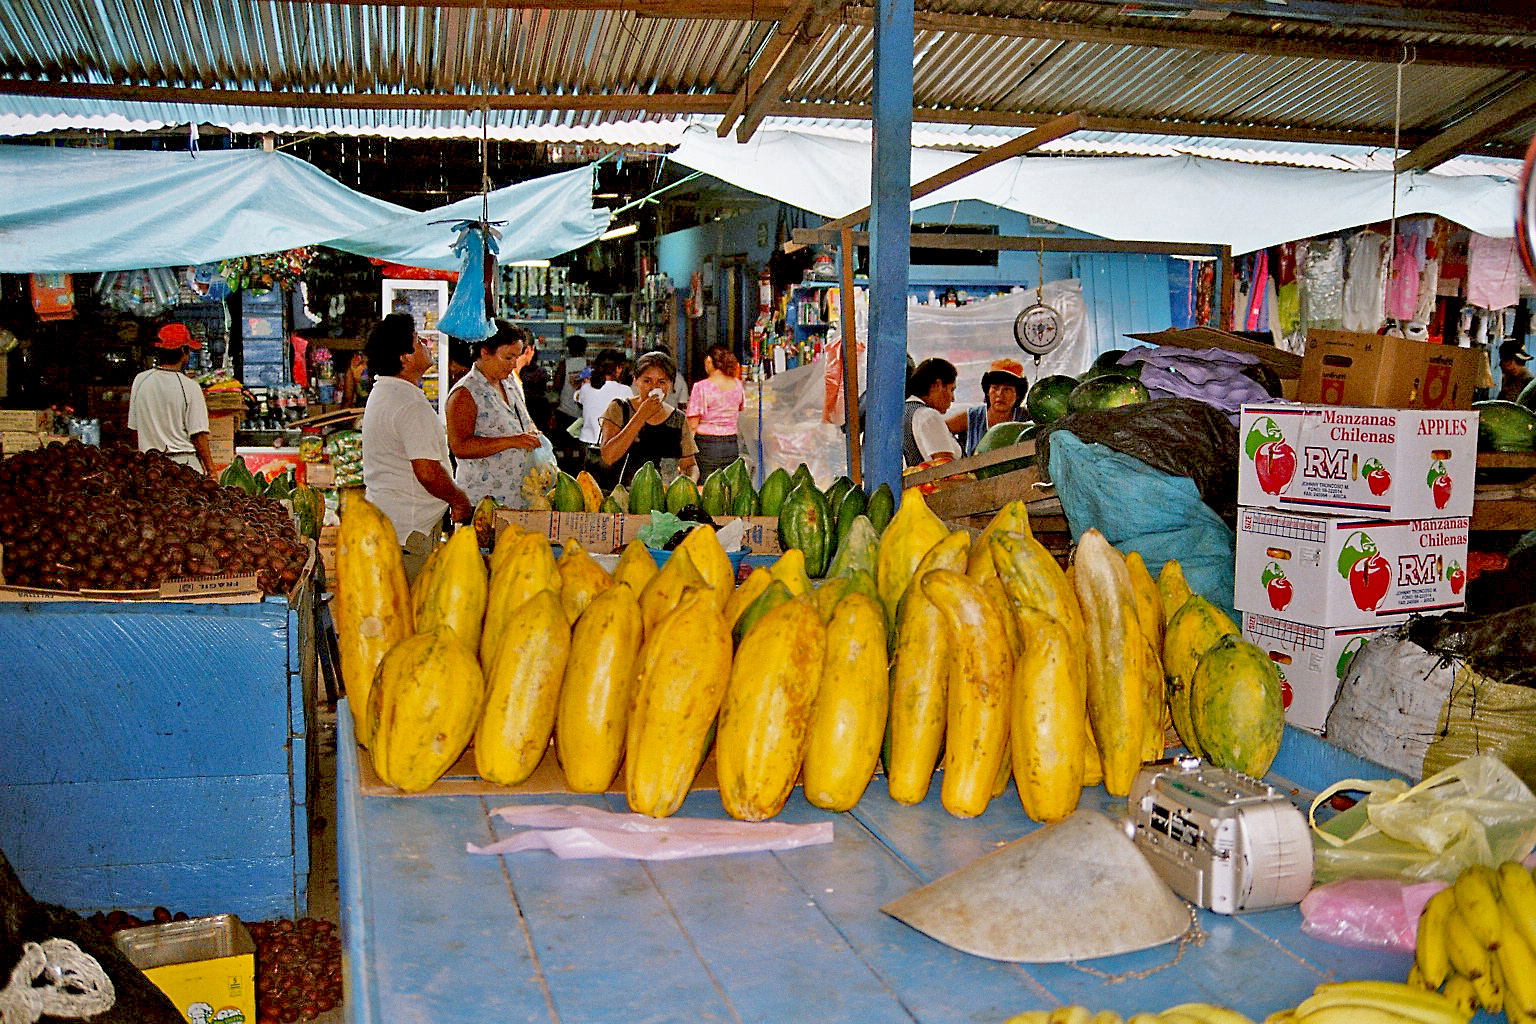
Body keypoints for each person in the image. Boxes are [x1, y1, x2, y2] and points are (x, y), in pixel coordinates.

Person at [360, 313, 473, 582]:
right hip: (409, 534)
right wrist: (458, 499)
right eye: (418, 340)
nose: (426, 344)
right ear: (405, 357)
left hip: (390, 525)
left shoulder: (384, 392)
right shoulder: (409, 404)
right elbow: (427, 471)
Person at [445, 321, 545, 508]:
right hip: (484, 501)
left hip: (519, 497)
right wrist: (511, 441)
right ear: (484, 353)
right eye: (508, 358)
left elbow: (523, 420)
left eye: (516, 357)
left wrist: (532, 434)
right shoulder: (465, 393)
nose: (513, 364)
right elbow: (460, 446)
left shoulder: (510, 383)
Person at [599, 349, 698, 486]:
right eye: (647, 381)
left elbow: (689, 464)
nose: (654, 388)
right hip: (624, 495)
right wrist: (641, 415)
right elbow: (608, 457)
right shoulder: (619, 408)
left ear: (671, 384)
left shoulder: (678, 419)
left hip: (664, 497)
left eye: (662, 382)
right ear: (636, 381)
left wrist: (690, 482)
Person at [127, 323, 215, 475]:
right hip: (183, 466)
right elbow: (198, 435)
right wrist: (211, 470)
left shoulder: (140, 380)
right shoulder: (190, 387)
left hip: (150, 467)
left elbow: (134, 430)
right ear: (183, 351)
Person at [686, 344, 746, 479]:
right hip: (731, 444)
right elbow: (741, 408)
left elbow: (692, 425)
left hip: (706, 446)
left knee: (705, 486)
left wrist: (686, 453)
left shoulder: (701, 387)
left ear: (709, 360)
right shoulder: (738, 385)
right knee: (727, 485)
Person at [947, 358, 1030, 455]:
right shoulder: (971, 418)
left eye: (1007, 389)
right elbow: (935, 431)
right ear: (987, 391)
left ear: (1018, 394)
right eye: (995, 388)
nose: (1000, 394)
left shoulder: (1026, 418)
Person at [577, 350, 633, 486]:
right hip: (613, 446)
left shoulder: (585, 388)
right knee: (614, 488)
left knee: (590, 490)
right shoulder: (625, 391)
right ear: (618, 369)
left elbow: (579, 400)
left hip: (587, 447)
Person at [902, 357, 961, 468]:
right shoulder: (928, 416)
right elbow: (946, 468)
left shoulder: (906, 411)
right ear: (937, 385)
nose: (953, 398)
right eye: (951, 390)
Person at [1498, 338, 1532, 403]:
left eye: (1518, 362)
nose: (1513, 366)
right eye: (1508, 361)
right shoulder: (1508, 378)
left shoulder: (1529, 381)